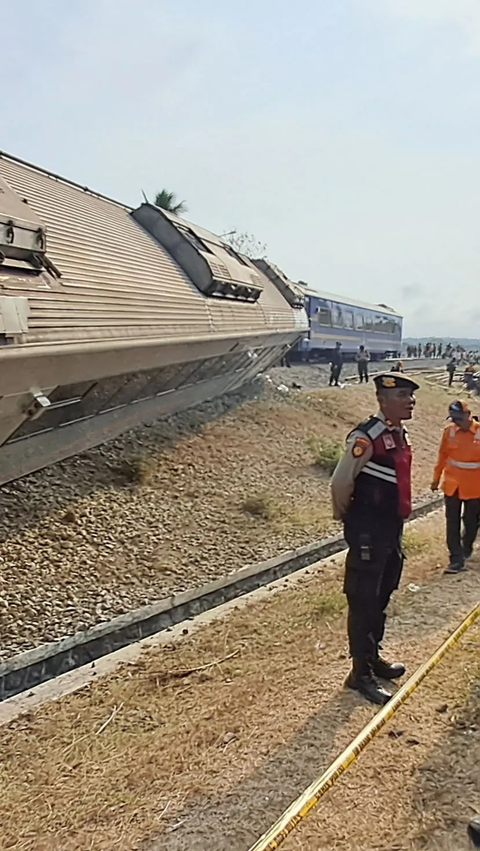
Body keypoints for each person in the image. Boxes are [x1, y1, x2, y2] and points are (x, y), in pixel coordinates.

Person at [331, 372, 419, 705]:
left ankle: (373, 656)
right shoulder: (367, 436)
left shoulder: (400, 434)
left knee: (383, 593)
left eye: (412, 396)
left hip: (391, 528)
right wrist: (349, 520)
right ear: (382, 400)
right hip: (368, 529)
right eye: (402, 396)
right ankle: (360, 673)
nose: (410, 401)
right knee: (363, 597)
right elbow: (341, 483)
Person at [431, 400, 480, 574]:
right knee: (452, 522)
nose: (456, 422)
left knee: (471, 522)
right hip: (452, 486)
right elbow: (442, 456)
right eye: (454, 419)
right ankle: (455, 559)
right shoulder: (449, 431)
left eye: (459, 418)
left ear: (468, 415)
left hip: (475, 488)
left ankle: (466, 546)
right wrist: (436, 479)